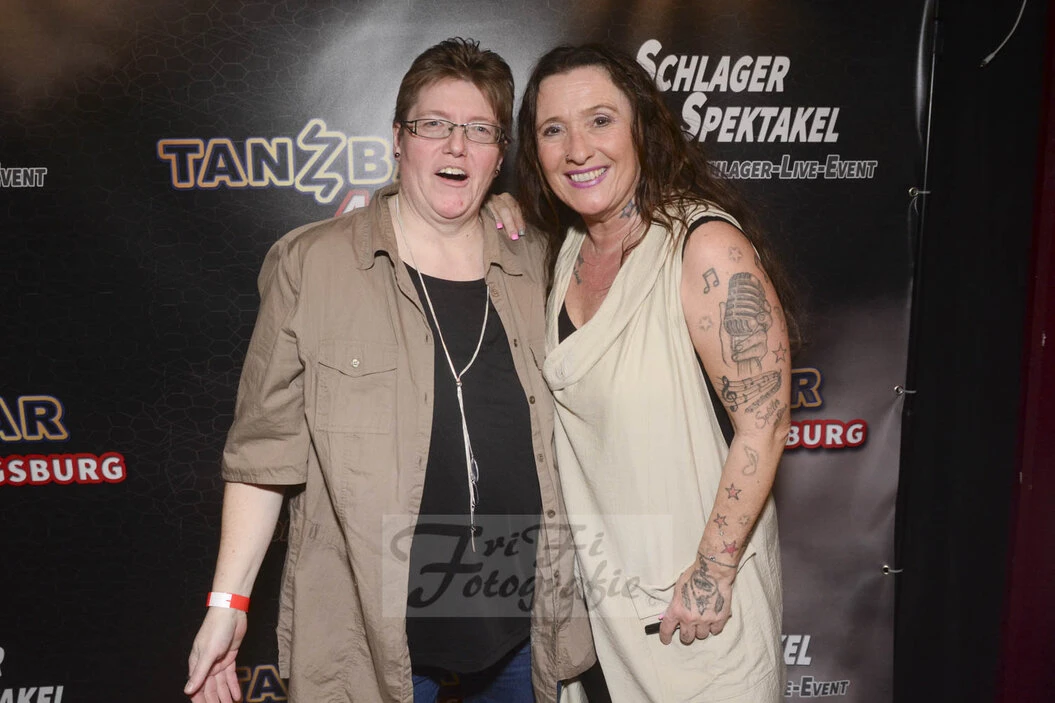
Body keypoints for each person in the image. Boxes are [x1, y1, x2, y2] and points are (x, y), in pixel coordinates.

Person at [184, 37, 593, 703]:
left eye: (479, 130)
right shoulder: (312, 265)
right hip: (370, 641)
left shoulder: (541, 264)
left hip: (523, 630)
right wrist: (228, 601)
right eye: (434, 125)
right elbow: (263, 454)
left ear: (499, 157)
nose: (456, 146)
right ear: (398, 140)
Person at [514, 43, 799, 702]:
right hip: (600, 615)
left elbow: (764, 422)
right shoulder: (568, 250)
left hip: (690, 616)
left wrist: (712, 571)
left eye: (600, 120)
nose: (577, 149)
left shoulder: (705, 247)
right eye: (553, 130)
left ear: (641, 124)